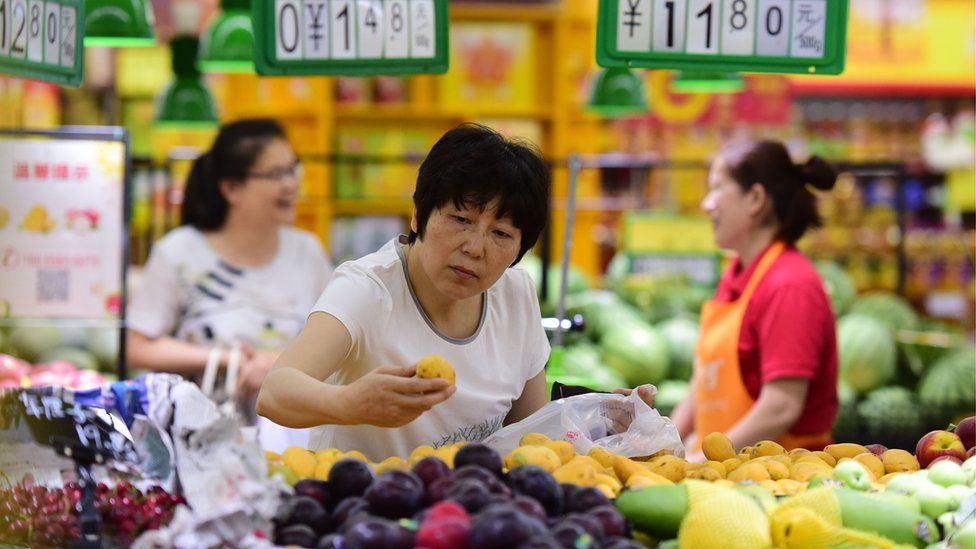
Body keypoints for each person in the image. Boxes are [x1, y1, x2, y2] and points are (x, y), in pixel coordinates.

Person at [257, 124, 654, 460]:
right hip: (366, 512)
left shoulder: (515, 294)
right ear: (418, 214)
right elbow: (275, 391)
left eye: (501, 234)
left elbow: (529, 429)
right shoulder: (367, 289)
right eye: (460, 219)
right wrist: (351, 404)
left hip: (475, 514)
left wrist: (596, 417)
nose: (475, 247)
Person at [126, 119, 333, 443]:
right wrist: (225, 360)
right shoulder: (178, 252)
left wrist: (275, 362)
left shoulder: (308, 253)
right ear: (231, 188)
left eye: (293, 169)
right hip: (193, 443)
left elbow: (338, 347)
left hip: (294, 444)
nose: (291, 184)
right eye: (276, 174)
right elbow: (136, 348)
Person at [670, 140, 839, 456]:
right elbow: (705, 380)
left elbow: (782, 405)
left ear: (756, 199)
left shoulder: (790, 285)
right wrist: (667, 446)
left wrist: (706, 459)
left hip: (783, 481)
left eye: (717, 189)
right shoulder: (737, 272)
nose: (707, 204)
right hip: (727, 474)